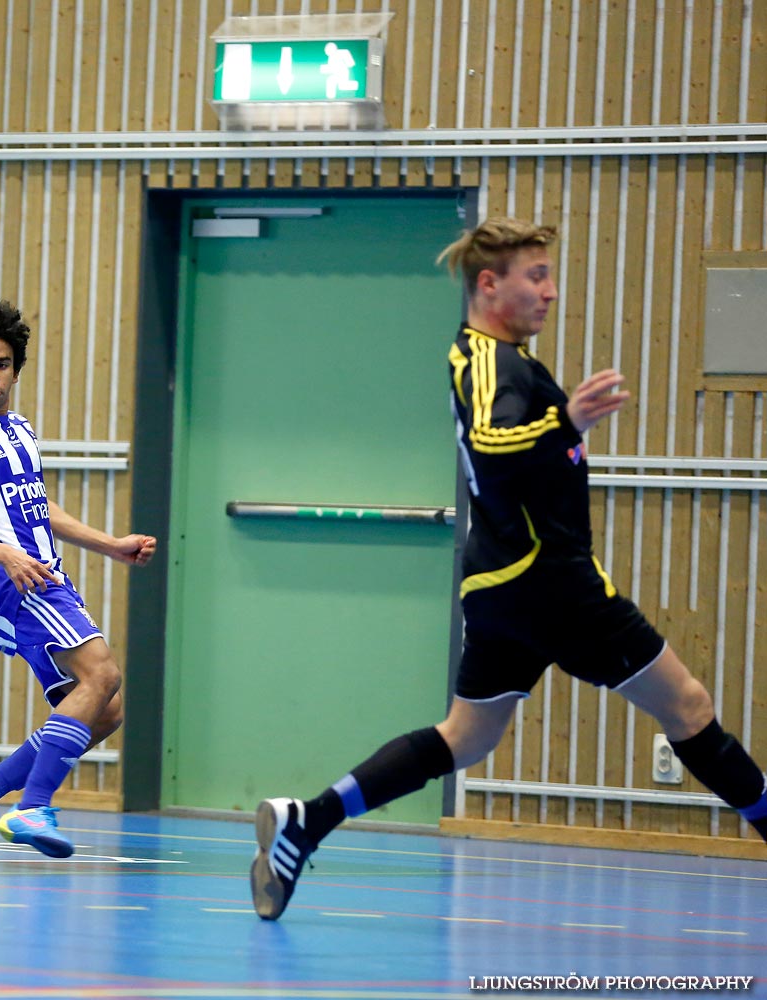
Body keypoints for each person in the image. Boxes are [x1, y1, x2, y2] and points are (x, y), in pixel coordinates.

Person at [250, 217, 767, 920]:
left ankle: (308, 821)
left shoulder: (498, 358)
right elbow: (495, 446)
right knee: (690, 708)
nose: (551, 293)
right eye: (537, 276)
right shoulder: (492, 362)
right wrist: (568, 424)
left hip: (499, 585)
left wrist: (561, 426)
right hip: (548, 580)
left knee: (465, 737)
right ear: (489, 285)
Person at [0, 297, 157, 860]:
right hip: (12, 583)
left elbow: (37, 509)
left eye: (1, 363)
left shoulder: (19, 430)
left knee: (106, 707)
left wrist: (110, 545)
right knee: (103, 671)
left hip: (44, 575)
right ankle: (32, 806)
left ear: (16, 369)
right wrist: (6, 557)